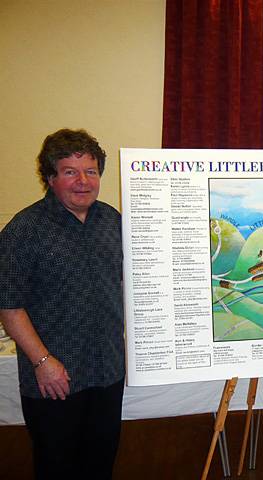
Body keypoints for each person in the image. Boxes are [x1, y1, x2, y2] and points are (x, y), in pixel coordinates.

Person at [0, 129, 125, 480]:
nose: (83, 181)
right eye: (70, 171)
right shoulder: (25, 230)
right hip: (55, 376)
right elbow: (9, 304)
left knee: (101, 460)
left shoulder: (111, 221)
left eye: (91, 171)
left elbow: (128, 281)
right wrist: (42, 362)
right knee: (57, 465)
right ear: (50, 178)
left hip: (108, 369)